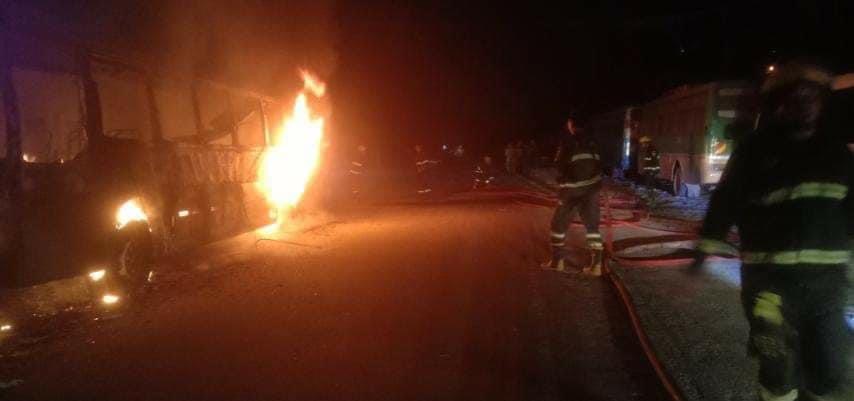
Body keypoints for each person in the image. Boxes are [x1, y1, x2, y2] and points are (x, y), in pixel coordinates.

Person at [690, 62, 852, 401]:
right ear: (779, 104)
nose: (805, 104)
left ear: (822, 103)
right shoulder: (755, 151)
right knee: (778, 366)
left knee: (829, 371)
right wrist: (706, 244)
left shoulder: (837, 153)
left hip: (826, 286)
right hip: (770, 284)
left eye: (812, 97)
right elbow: (725, 199)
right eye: (796, 97)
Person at [542, 117, 604, 276]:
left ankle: (557, 262)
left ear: (571, 126)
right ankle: (596, 266)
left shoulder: (568, 142)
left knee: (557, 226)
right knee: (592, 227)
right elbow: (600, 165)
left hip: (571, 191)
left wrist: (562, 178)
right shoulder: (593, 143)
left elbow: (559, 166)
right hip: (591, 190)